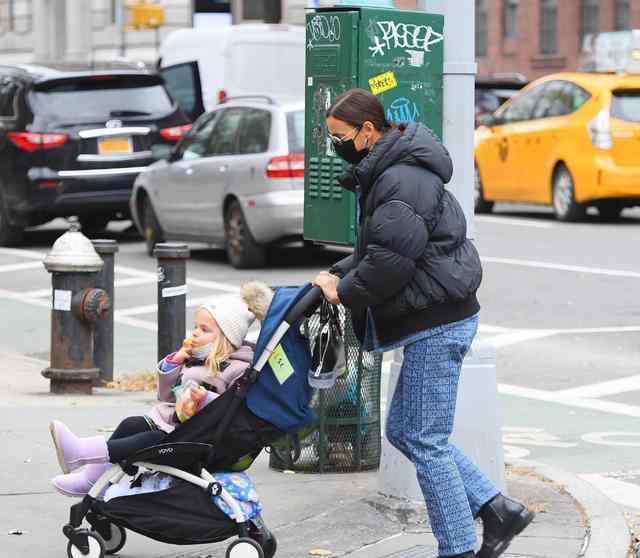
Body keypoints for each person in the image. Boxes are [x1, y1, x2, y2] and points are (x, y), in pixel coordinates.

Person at [313, 88, 533, 558]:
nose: (334, 144)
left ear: (367, 131)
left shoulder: (402, 178)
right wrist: (340, 271)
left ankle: (458, 548)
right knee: (406, 432)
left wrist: (345, 290)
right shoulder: (390, 172)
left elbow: (392, 264)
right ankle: (496, 508)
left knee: (426, 439)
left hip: (438, 322)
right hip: (433, 318)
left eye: (339, 136)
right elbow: (384, 247)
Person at [49, 282, 273, 498]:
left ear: (226, 338)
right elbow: (165, 397)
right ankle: (91, 479)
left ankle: (79, 452)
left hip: (196, 438)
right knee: (132, 424)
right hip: (173, 424)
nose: (195, 333)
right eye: (195, 326)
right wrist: (174, 363)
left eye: (204, 330)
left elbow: (232, 410)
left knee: (147, 441)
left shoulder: (237, 369)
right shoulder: (197, 360)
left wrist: (205, 399)